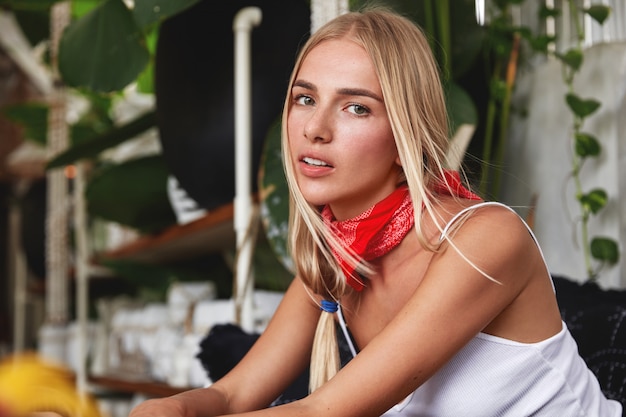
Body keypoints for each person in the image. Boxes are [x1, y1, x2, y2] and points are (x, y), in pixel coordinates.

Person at [129, 7, 622, 417]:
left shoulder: (483, 240)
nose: (315, 129)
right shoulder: (333, 257)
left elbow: (323, 412)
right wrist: (172, 408)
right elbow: (231, 395)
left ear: (404, 132)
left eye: (356, 107)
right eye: (305, 98)